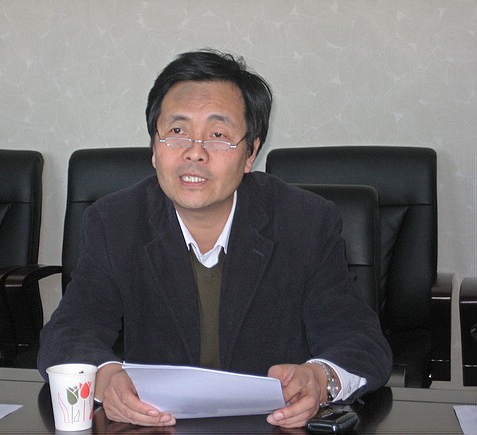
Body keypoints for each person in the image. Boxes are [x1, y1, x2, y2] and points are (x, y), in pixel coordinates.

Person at [38, 49, 392, 429]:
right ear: (154, 149)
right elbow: (69, 333)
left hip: (271, 426)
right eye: (177, 132)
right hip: (154, 426)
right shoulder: (115, 222)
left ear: (250, 153)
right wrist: (104, 377)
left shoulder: (305, 222)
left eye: (218, 135)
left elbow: (361, 341)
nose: (195, 153)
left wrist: (322, 379)